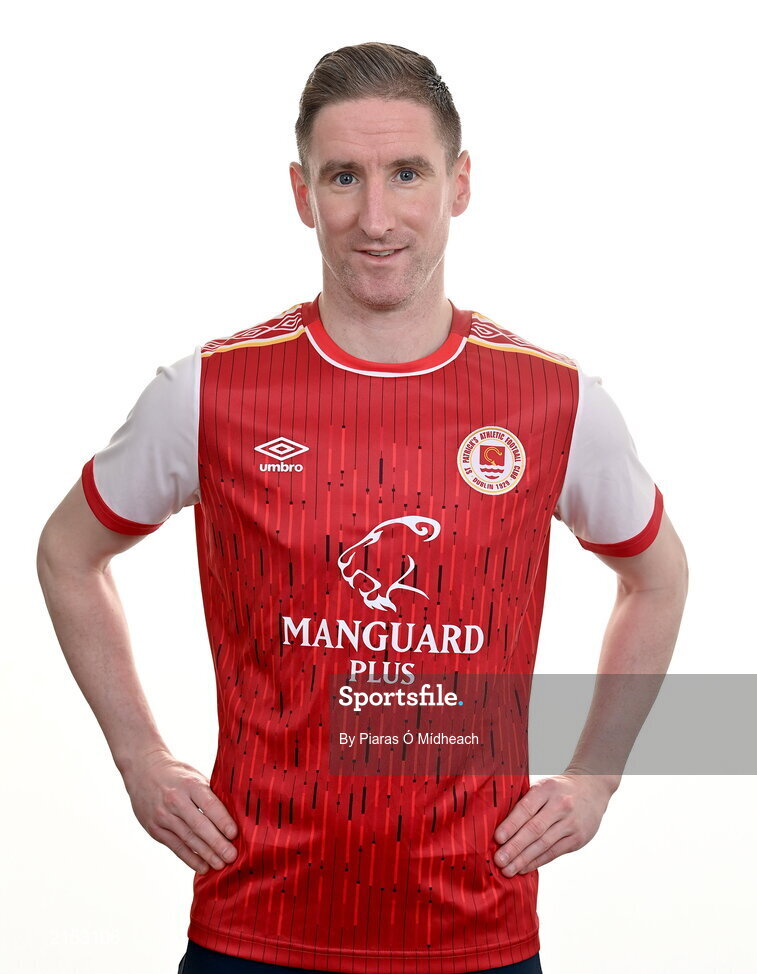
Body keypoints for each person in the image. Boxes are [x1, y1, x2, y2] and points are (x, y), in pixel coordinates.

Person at [36, 41, 688, 974]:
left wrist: (597, 775)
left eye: (406, 173)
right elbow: (67, 553)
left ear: (458, 185)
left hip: (475, 932)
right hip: (253, 924)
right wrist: (139, 757)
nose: (375, 217)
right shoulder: (210, 393)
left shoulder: (554, 402)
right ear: (302, 193)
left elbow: (658, 579)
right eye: (343, 176)